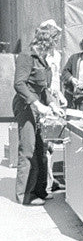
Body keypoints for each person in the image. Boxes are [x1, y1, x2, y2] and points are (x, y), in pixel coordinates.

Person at [12, 20, 62, 206]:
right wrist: (36, 104)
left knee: (41, 149)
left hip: (38, 107)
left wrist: (51, 103)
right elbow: (19, 84)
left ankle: (40, 189)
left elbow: (42, 88)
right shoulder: (27, 56)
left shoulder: (42, 59)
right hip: (26, 107)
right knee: (28, 149)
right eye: (52, 43)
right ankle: (24, 195)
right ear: (45, 42)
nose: (52, 49)